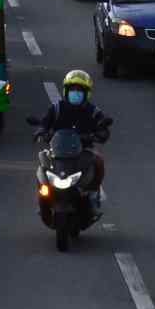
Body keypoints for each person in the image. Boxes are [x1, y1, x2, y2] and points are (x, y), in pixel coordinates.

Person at [37, 70, 111, 211]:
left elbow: (103, 127)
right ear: (66, 91)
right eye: (72, 90)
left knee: (99, 161)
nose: (75, 93)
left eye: (79, 91)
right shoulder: (57, 108)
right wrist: (41, 131)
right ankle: (43, 199)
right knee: (42, 161)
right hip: (58, 150)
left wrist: (101, 134)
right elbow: (44, 123)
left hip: (84, 150)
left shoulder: (94, 111)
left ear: (86, 93)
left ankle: (93, 192)